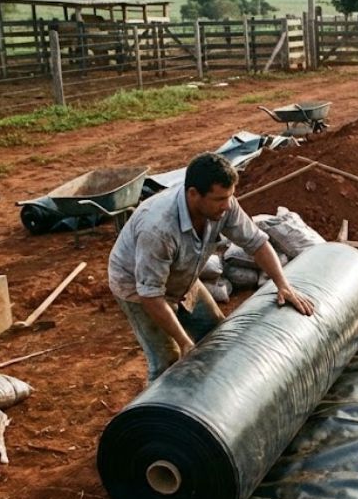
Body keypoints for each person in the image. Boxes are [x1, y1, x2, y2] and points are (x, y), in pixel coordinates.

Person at [108, 152, 314, 381]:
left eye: (229, 197)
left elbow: (257, 243)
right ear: (194, 194)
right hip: (138, 288)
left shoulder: (223, 205)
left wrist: (283, 285)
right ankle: (158, 412)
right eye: (219, 199)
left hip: (183, 275)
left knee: (216, 334)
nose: (227, 206)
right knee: (170, 361)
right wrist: (185, 342)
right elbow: (151, 295)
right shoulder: (158, 229)